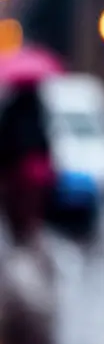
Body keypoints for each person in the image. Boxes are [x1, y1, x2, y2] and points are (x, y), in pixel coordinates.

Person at [0, 84, 55, 247]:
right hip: (34, 169)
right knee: (31, 204)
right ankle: (29, 232)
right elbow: (45, 139)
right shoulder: (39, 110)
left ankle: (20, 235)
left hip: (17, 169)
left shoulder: (12, 109)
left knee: (17, 206)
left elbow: (5, 138)